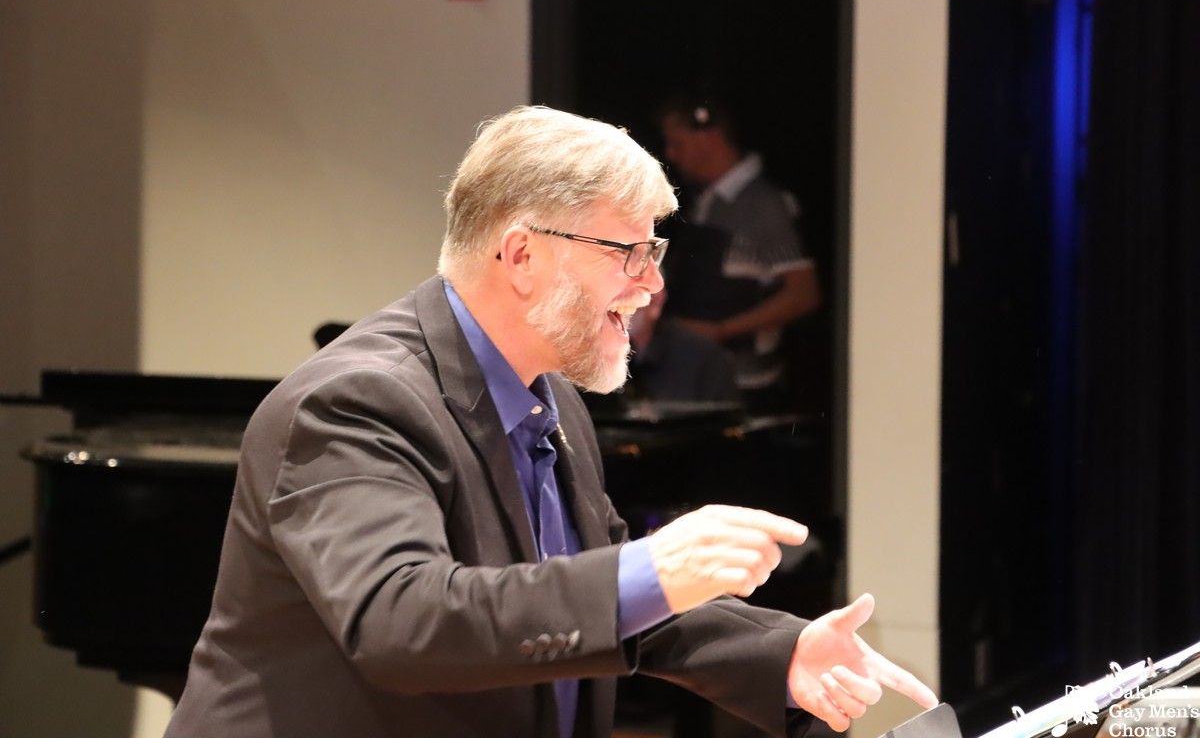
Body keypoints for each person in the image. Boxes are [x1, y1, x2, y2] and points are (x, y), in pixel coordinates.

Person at [164, 106, 935, 738]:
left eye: (655, 250)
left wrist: (781, 651)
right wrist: (652, 569)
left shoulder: (552, 394)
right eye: (628, 251)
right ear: (522, 256)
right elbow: (403, 622)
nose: (651, 284)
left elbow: (600, 598)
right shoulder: (356, 400)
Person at [658, 97, 821, 411]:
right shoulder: (707, 198)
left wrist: (720, 331)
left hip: (746, 385)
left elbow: (804, 294)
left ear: (710, 137)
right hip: (698, 375)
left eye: (678, 143)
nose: (671, 154)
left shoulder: (764, 205)